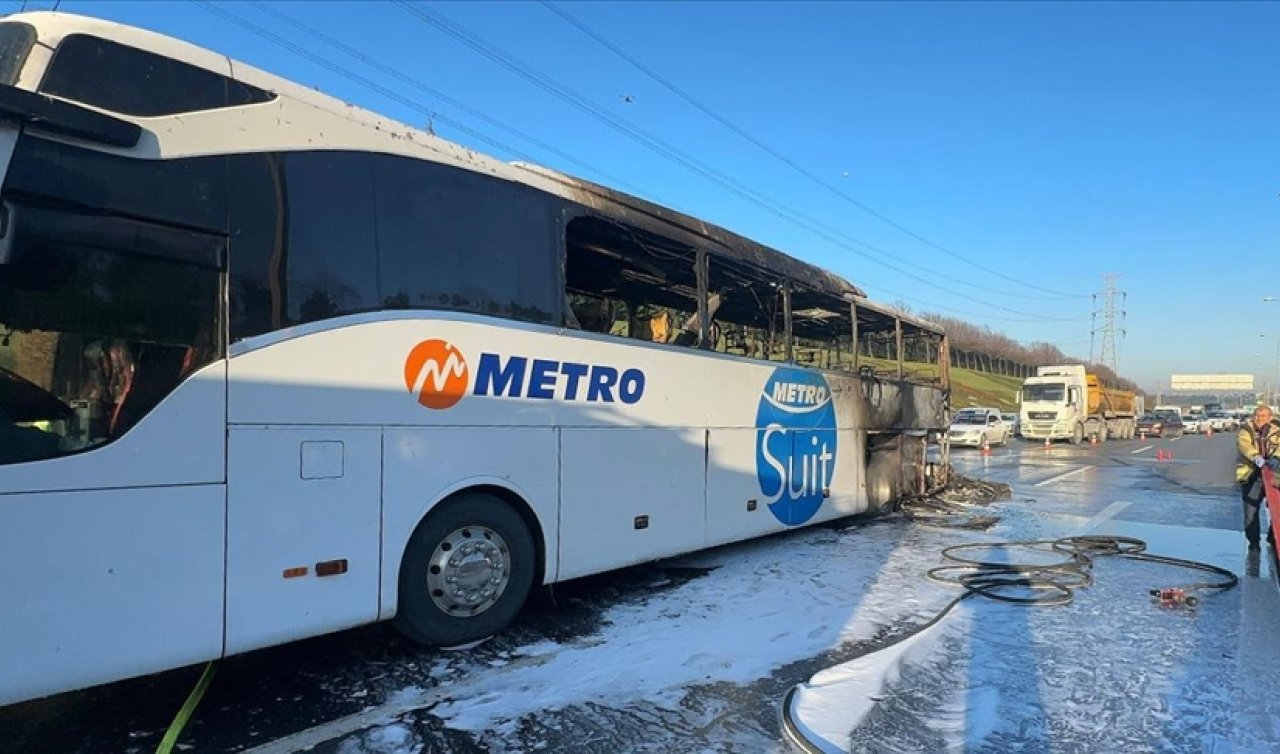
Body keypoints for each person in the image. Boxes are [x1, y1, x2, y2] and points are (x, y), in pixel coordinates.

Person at [1236, 405, 1280, 550]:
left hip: (1274, 473)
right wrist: (1255, 457)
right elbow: (1244, 445)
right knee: (1251, 510)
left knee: (1277, 508)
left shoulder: (1277, 430)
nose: (1259, 418)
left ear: (1270, 418)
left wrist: (1276, 457)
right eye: (1257, 415)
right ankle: (1254, 542)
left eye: (1263, 415)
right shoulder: (1245, 429)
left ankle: (1273, 536)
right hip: (1252, 474)